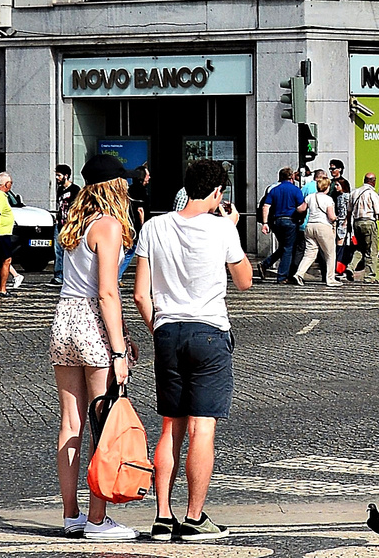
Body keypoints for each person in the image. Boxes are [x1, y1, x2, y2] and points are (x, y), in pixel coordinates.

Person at [132, 158, 252, 542]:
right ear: (218, 193)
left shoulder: (153, 226)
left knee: (170, 426)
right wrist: (230, 228)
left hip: (167, 331)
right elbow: (245, 281)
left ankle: (162, 516)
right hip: (209, 332)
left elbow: (139, 294)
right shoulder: (221, 229)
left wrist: (160, 327)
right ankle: (194, 518)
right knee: (202, 428)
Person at [51, 152, 138, 541]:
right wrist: (119, 351)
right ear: (115, 186)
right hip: (90, 321)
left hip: (63, 318)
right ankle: (98, 520)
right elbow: (107, 292)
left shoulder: (75, 222)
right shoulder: (109, 225)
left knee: (72, 420)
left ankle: (71, 514)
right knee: (102, 421)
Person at [291, 172, 340, 286]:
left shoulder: (310, 197)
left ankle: (299, 274)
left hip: (310, 227)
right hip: (323, 227)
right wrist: (336, 218)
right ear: (327, 187)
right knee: (330, 253)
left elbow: (301, 209)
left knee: (310, 253)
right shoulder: (328, 199)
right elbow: (331, 216)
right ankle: (330, 278)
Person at [258, 166, 305, 283]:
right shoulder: (295, 190)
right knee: (288, 248)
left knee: (284, 247)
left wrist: (265, 223)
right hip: (290, 221)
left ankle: (265, 264)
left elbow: (266, 206)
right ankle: (282, 276)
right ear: (292, 178)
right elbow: (300, 208)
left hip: (276, 222)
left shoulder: (274, 190)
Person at [346, 173, 379, 281]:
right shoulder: (372, 194)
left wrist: (348, 225)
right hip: (369, 222)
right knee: (371, 250)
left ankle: (350, 267)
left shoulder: (354, 192)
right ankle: (370, 276)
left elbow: (349, 211)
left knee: (360, 248)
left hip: (356, 223)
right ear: (373, 181)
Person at [52, 164, 80, 286]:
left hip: (70, 224)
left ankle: (69, 275)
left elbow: (77, 207)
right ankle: (58, 275)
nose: (57, 178)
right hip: (60, 224)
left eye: (59, 175)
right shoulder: (60, 190)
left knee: (69, 250)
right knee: (57, 250)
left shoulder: (75, 190)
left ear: (66, 176)